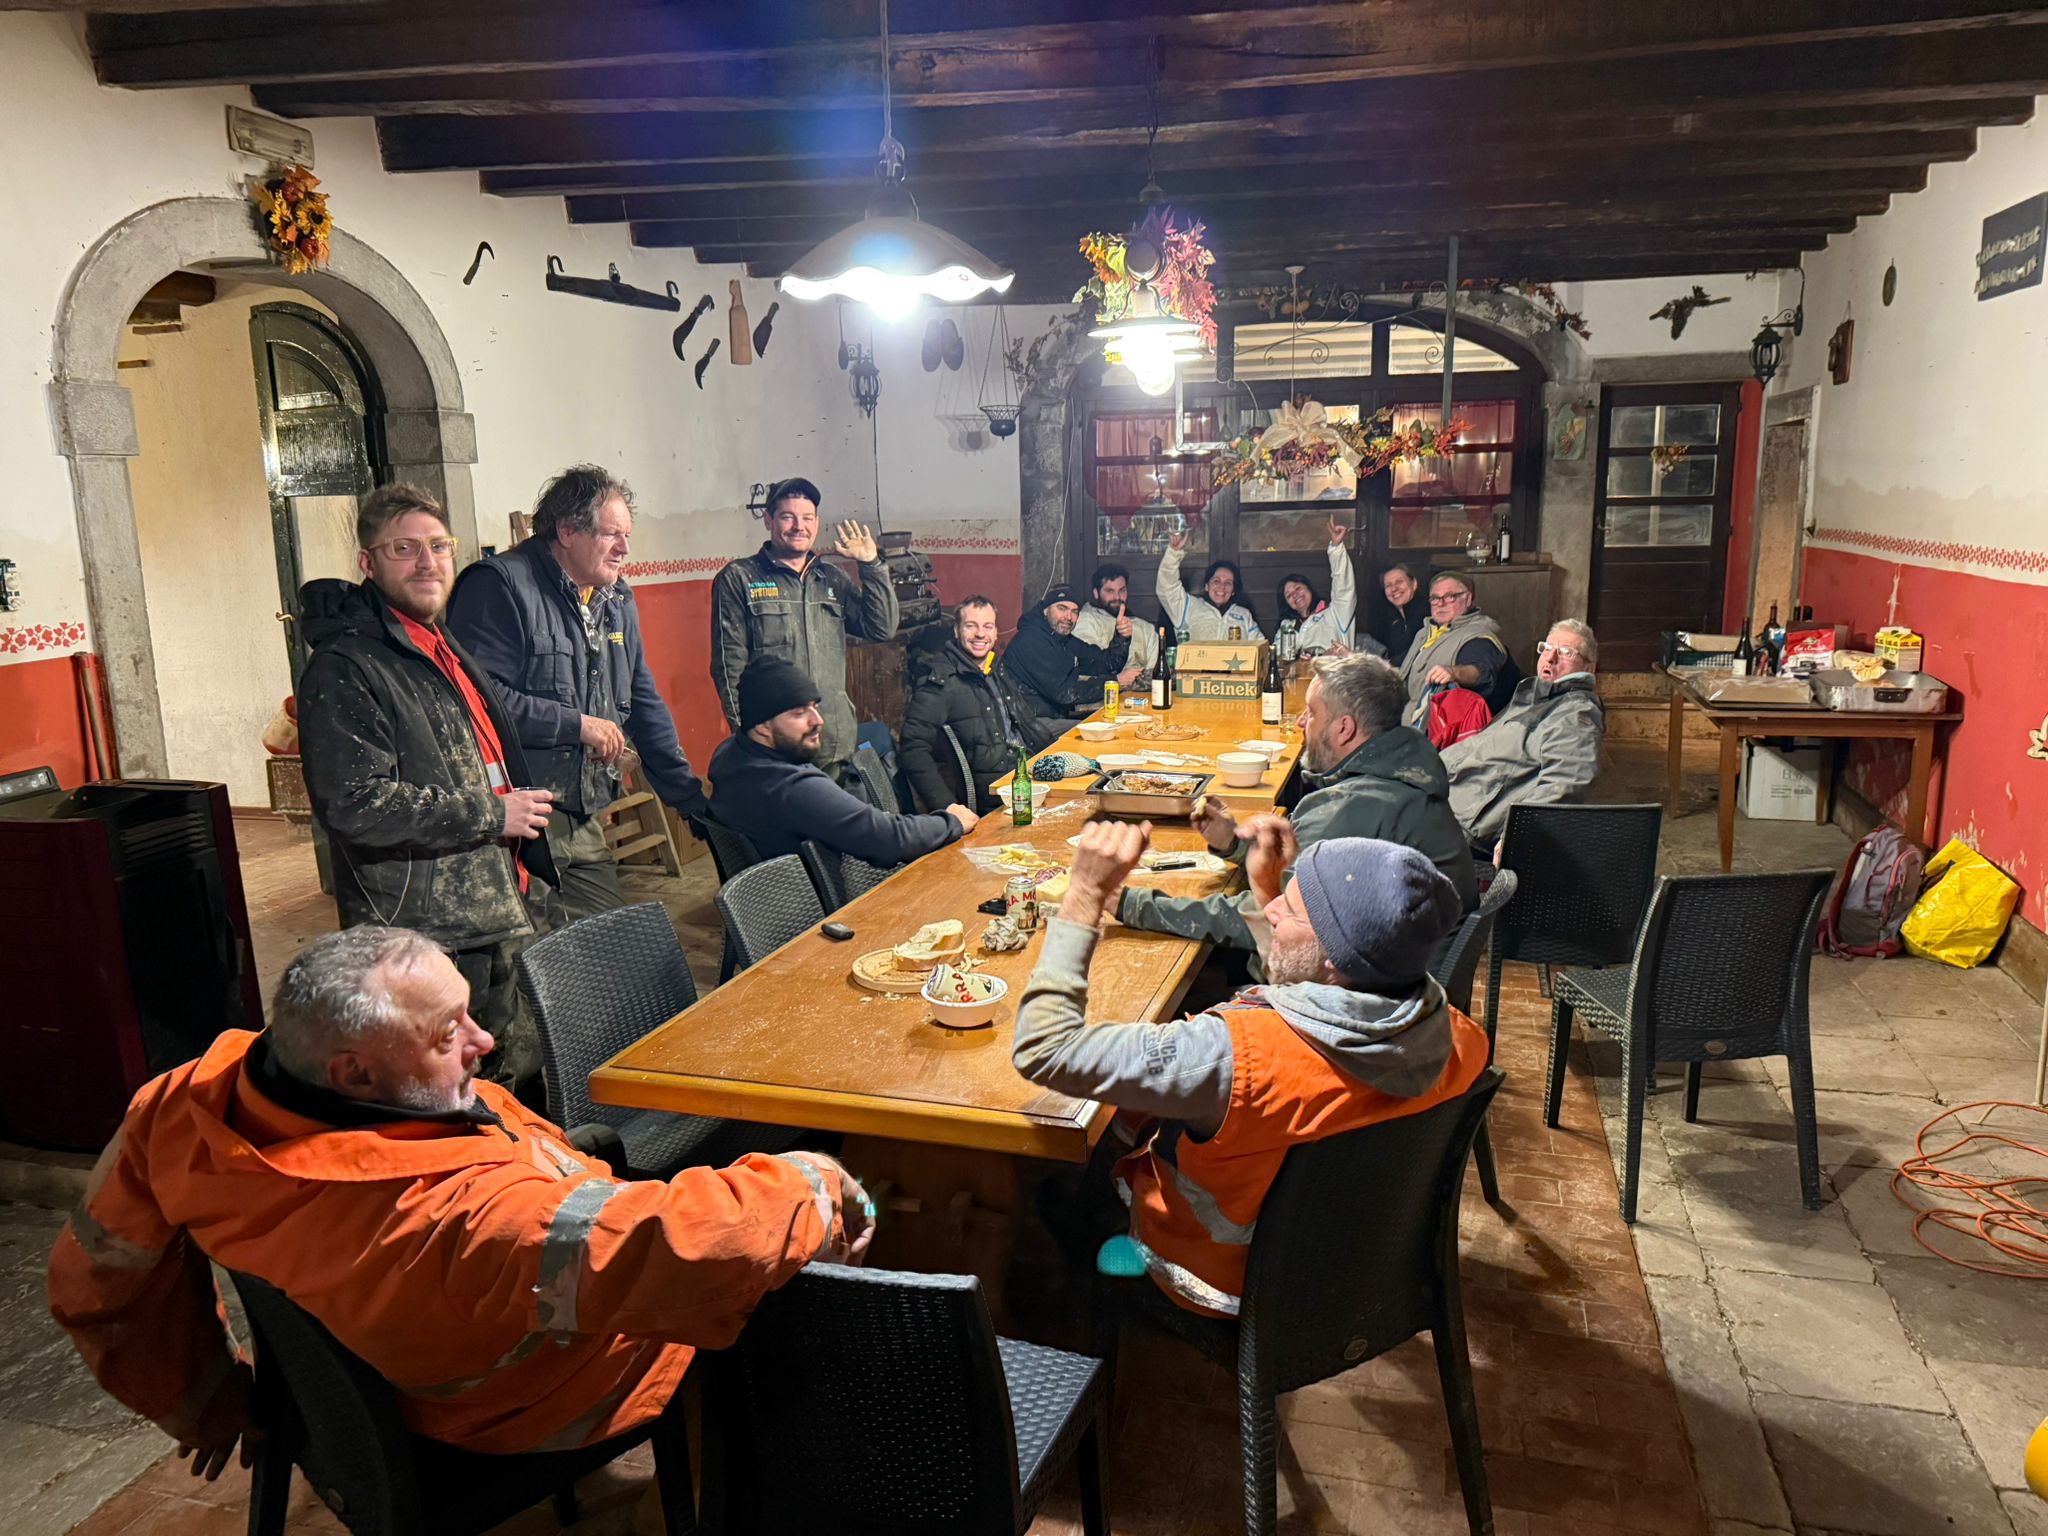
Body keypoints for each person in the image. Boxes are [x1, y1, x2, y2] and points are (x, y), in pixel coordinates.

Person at [48, 925, 871, 1474]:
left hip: (465, 1311)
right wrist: (823, 1184)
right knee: (799, 1290)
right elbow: (685, 1247)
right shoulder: (457, 1221)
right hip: (532, 1405)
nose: (485, 1044)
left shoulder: (186, 1104)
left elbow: (100, 1280)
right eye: (448, 1036)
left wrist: (205, 1403)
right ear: (353, 1074)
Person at [1014, 825, 1488, 1317]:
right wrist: (1267, 889)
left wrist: (1084, 895)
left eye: (1292, 908)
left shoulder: (1235, 1057)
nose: (1270, 911)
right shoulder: (1459, 1036)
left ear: (1336, 955)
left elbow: (1045, 1048)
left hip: (1216, 1276)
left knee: (1096, 1159)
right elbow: (1318, 983)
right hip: (1342, 1258)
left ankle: (1084, 1278)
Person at [296, 483, 558, 1090]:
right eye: (404, 549)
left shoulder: (434, 643)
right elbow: (354, 804)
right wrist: (493, 815)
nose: (427, 562)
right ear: (368, 563)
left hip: (487, 905)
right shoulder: (347, 666)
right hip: (424, 931)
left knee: (511, 1081)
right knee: (447, 1093)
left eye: (439, 546)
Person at [447, 465, 708, 924]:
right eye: (612, 535)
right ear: (567, 530)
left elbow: (641, 699)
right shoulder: (500, 586)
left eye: (627, 535)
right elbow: (478, 699)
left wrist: (687, 797)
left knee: (612, 948)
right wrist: (577, 725)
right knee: (530, 966)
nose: (625, 548)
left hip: (580, 811)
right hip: (515, 821)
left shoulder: (614, 599)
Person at [1117, 653, 1477, 973]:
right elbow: (1298, 878)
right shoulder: (1403, 769)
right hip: (1401, 974)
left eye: (1312, 712)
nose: (1302, 723)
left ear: (1344, 728)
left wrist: (1128, 903)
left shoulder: (1355, 805)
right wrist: (1234, 843)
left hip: (1370, 1002)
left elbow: (1271, 917)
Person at [711, 477, 897, 783]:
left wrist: (872, 565)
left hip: (835, 742)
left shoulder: (831, 578)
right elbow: (728, 668)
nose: (800, 526)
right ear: (769, 520)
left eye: (807, 518)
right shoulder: (739, 579)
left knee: (840, 830)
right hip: (778, 748)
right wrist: (747, 736)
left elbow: (882, 627)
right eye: (788, 517)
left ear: (816, 522)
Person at [708, 655, 976, 864]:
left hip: (775, 912)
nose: (818, 721)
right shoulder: (791, 787)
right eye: (799, 713)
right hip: (825, 917)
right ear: (763, 726)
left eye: (815, 706)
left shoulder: (729, 756)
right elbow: (887, 838)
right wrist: (950, 822)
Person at [1444, 619, 1606, 850]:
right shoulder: (1536, 696)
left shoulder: (1575, 713)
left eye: (1566, 652)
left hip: (1464, 822)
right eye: (1547, 648)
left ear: (1589, 668)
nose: (1551, 658)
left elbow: (1566, 783)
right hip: (1449, 797)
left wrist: (1517, 833)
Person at [900, 596, 1038, 814]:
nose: (980, 634)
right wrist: (947, 806)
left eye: (987, 626)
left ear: (995, 632)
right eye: (971, 626)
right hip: (997, 797)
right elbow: (912, 747)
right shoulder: (941, 681)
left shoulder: (995, 669)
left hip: (1025, 775)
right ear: (956, 631)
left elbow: (1027, 724)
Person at [999, 584, 1139, 728]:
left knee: (1118, 724)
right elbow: (1065, 693)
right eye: (1062, 608)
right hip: (1027, 724)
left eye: (1075, 611)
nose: (1069, 617)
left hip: (1053, 716)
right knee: (1102, 733)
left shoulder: (1063, 639)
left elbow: (1107, 664)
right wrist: (1114, 683)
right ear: (1045, 610)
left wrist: (1122, 637)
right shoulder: (1031, 639)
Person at [1397, 571, 1520, 720]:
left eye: (1450, 597)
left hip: (1438, 729)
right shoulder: (1426, 632)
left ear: (1468, 599)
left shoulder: (1478, 636)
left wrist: (1454, 673)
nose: (1441, 604)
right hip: (1404, 716)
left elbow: (1481, 670)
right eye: (1435, 598)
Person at [1274, 517, 1376, 656]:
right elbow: (1279, 655)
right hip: (1300, 677)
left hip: (1336, 676)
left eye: (1298, 588)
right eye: (1289, 595)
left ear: (1309, 588)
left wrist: (1336, 548)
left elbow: (1343, 587)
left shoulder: (1336, 612)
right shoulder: (1287, 625)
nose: (1295, 595)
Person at [1155, 530, 1262, 641]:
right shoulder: (1188, 607)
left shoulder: (1244, 615)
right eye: (1216, 581)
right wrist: (1173, 553)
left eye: (1228, 583)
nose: (1222, 586)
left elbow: (1260, 646)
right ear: (1207, 586)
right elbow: (1167, 587)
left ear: (1233, 590)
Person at [1072, 563, 1158, 673]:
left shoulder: (1145, 628)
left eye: (1122, 590)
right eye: (1110, 591)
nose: (1117, 597)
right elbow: (1088, 667)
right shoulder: (1085, 621)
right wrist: (1119, 680)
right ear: (1096, 593)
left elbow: (1155, 671)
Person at [1373, 561, 1428, 663]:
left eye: (1399, 582)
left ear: (1414, 584)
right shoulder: (1396, 624)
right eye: (1388, 585)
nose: (1394, 588)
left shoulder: (1426, 616)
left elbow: (1417, 655)